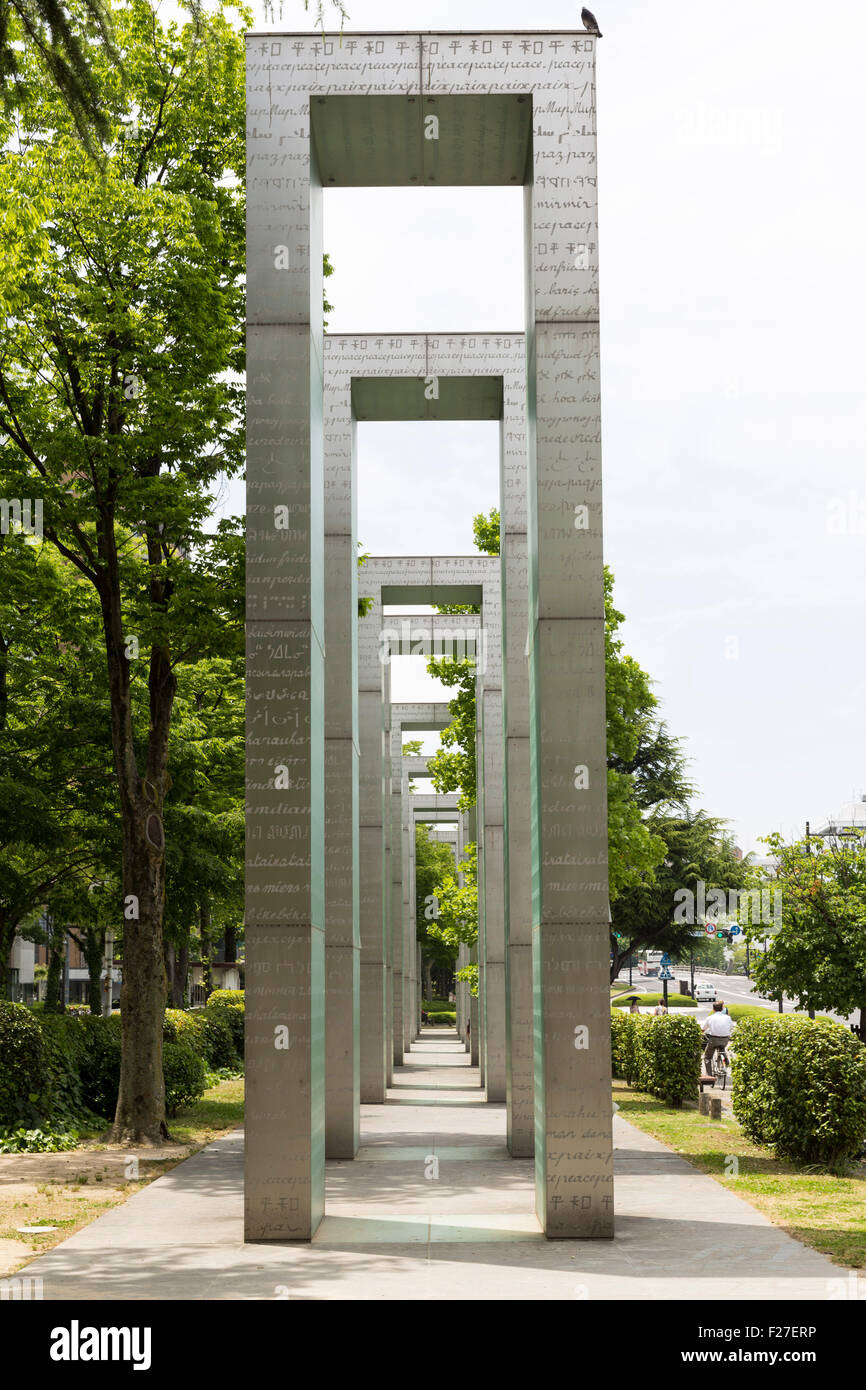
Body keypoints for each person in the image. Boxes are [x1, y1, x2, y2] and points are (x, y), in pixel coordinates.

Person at [702, 1001, 735, 1073]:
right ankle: (725, 1059)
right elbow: (731, 1027)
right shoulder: (728, 1018)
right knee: (722, 1047)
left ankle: (709, 1075)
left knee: (707, 1057)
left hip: (714, 1039)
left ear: (713, 1009)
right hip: (725, 1040)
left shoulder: (710, 1018)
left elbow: (703, 1029)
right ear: (722, 1009)